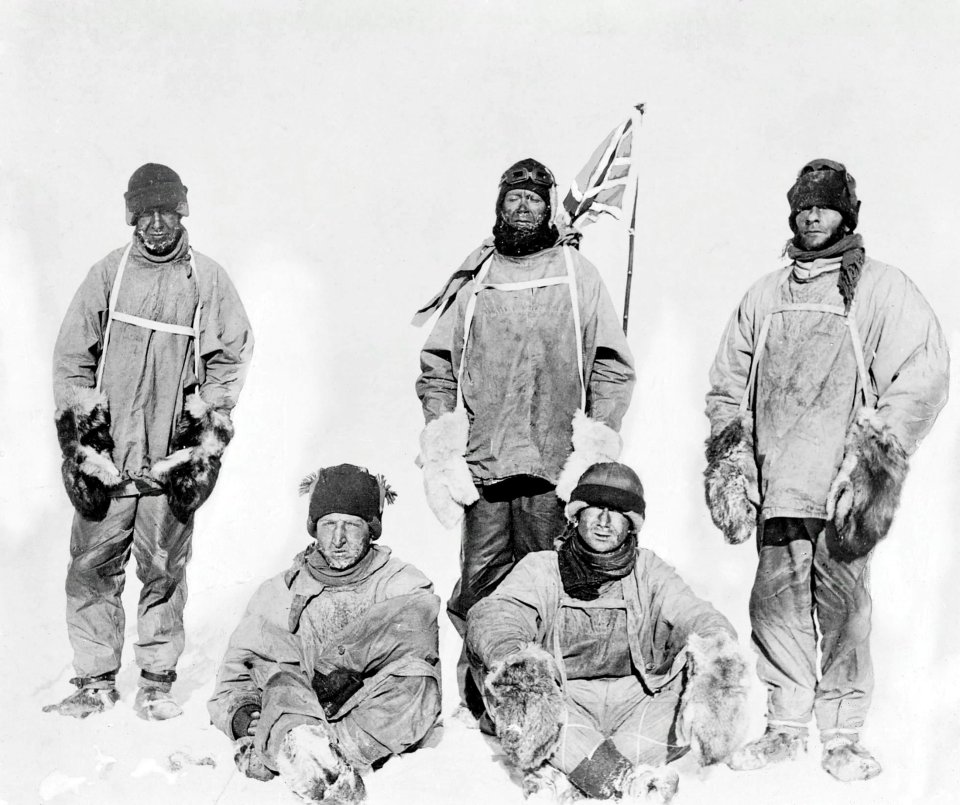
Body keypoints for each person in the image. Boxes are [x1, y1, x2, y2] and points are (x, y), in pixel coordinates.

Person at [704, 158, 949, 781]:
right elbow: (728, 382)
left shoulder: (881, 288)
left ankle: (842, 737)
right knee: (774, 607)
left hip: (841, 489)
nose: (812, 214)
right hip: (778, 482)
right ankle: (786, 727)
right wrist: (734, 454)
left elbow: (924, 372)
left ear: (847, 214)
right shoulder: (766, 293)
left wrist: (875, 452)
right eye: (803, 205)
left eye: (825, 205)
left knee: (844, 612)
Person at [414, 158, 636, 715]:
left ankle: (548, 699)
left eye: (533, 199)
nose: (522, 207)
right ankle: (486, 697)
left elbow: (611, 362)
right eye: (513, 197)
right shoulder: (479, 277)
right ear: (499, 204)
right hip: (485, 464)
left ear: (548, 206)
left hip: (552, 466)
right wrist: (443, 433)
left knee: (550, 581)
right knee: (481, 585)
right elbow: (438, 362)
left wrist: (598, 437)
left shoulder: (575, 273)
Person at [46, 163, 254, 721]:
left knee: (163, 569)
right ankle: (94, 681)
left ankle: (158, 682)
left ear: (182, 212)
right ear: (132, 217)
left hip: (166, 463)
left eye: (166, 211)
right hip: (109, 462)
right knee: (90, 568)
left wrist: (201, 439)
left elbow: (230, 358)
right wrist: (83, 445)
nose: (156, 224)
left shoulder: (206, 280)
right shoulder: (108, 275)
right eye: (145, 213)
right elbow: (72, 359)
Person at [467, 462, 747, 803]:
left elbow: (694, 612)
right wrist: (515, 660)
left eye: (617, 512)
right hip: (564, 702)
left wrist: (718, 654)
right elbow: (498, 614)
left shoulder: (648, 570)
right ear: (576, 515)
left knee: (694, 679)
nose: (604, 520)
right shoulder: (543, 567)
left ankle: (567, 774)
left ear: (631, 524)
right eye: (595, 508)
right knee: (513, 686)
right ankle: (625, 782)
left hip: (636, 703)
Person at [208, 464, 442, 805]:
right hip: (299, 707)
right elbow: (235, 675)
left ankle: (307, 753)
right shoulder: (279, 592)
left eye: (352, 525)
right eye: (329, 524)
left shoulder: (400, 583)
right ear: (314, 529)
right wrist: (244, 715)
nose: (339, 539)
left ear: (371, 530)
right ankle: (304, 749)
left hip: (367, 712)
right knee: (280, 682)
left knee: (418, 683)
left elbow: (418, 637)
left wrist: (340, 666)